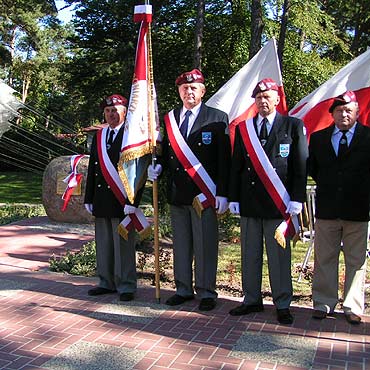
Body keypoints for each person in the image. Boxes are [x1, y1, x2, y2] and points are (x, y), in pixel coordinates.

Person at [148, 69, 231, 311]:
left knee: (205, 244)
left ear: (203, 91)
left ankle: (206, 291)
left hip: (204, 194)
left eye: (194, 88)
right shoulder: (169, 119)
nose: (189, 92)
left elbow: (224, 159)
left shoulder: (217, 118)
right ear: (179, 92)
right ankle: (183, 288)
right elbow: (165, 152)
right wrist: (158, 167)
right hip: (177, 193)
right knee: (181, 244)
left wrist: (223, 193)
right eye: (185, 88)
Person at [228, 78, 308, 324]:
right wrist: (233, 198)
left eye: (268, 96)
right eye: (259, 97)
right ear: (255, 101)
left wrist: (296, 198)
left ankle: (282, 303)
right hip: (251, 203)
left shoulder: (293, 126)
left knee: (278, 257)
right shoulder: (245, 129)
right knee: (250, 254)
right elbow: (237, 167)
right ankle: (251, 299)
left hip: (279, 204)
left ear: (277, 99)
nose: (263, 101)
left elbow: (300, 166)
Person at [308, 91, 370, 325]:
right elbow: (314, 169)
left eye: (348, 110)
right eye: (339, 110)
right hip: (328, 208)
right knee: (325, 257)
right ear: (332, 113)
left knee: (356, 260)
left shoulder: (368, 136)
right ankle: (323, 302)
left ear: (357, 113)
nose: (344, 114)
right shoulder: (319, 138)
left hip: (358, 208)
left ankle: (352, 306)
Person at [84, 94, 142, 302]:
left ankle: (126, 285)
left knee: (123, 245)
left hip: (122, 200)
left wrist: (133, 202)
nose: (112, 114)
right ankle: (106, 282)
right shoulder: (99, 136)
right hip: (101, 198)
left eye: (116, 110)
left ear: (125, 113)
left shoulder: (131, 137)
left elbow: (139, 172)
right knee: (104, 243)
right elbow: (93, 168)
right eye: (108, 111)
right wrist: (88, 197)